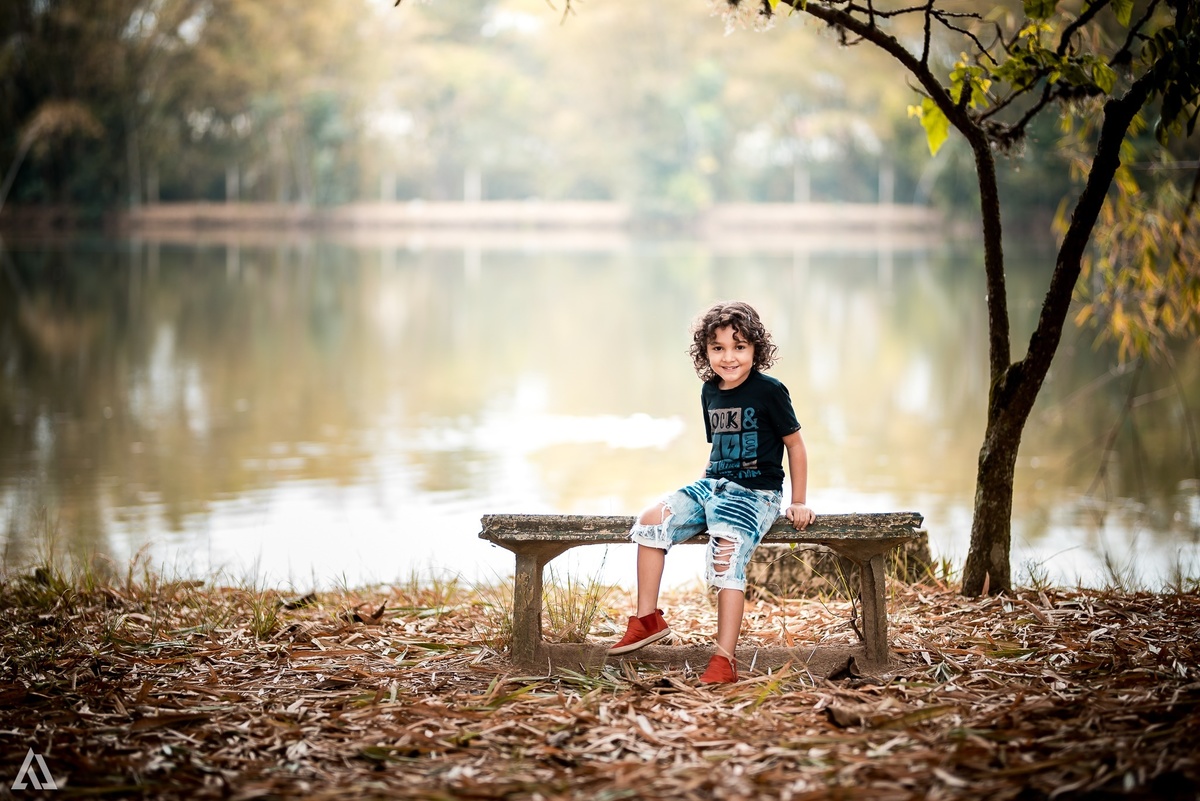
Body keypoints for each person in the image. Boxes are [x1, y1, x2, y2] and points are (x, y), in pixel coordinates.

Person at [608, 301, 816, 684]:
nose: (729, 357)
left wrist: (798, 501)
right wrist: (702, 497)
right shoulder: (710, 391)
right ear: (705, 352)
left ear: (756, 349)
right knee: (651, 520)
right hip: (713, 485)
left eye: (739, 347)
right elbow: (719, 448)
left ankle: (724, 660)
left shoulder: (770, 391)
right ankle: (647, 619)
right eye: (717, 348)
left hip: (756, 494)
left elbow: (796, 445)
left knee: (725, 552)